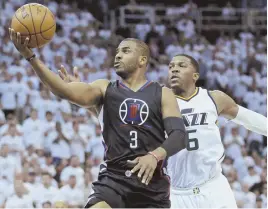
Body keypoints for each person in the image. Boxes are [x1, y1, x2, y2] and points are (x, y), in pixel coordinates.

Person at [9, 29, 187, 208]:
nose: (118, 56)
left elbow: (179, 135)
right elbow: (64, 90)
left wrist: (154, 156)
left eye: (125, 51)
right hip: (114, 180)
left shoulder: (162, 93)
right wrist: (30, 57)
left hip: (152, 185)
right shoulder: (104, 88)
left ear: (142, 60)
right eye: (117, 52)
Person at [167, 54, 267, 208]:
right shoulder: (159, 105)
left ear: (195, 76)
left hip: (213, 188)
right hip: (177, 194)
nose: (174, 69)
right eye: (171, 66)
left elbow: (249, 119)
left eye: (181, 65)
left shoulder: (213, 98)